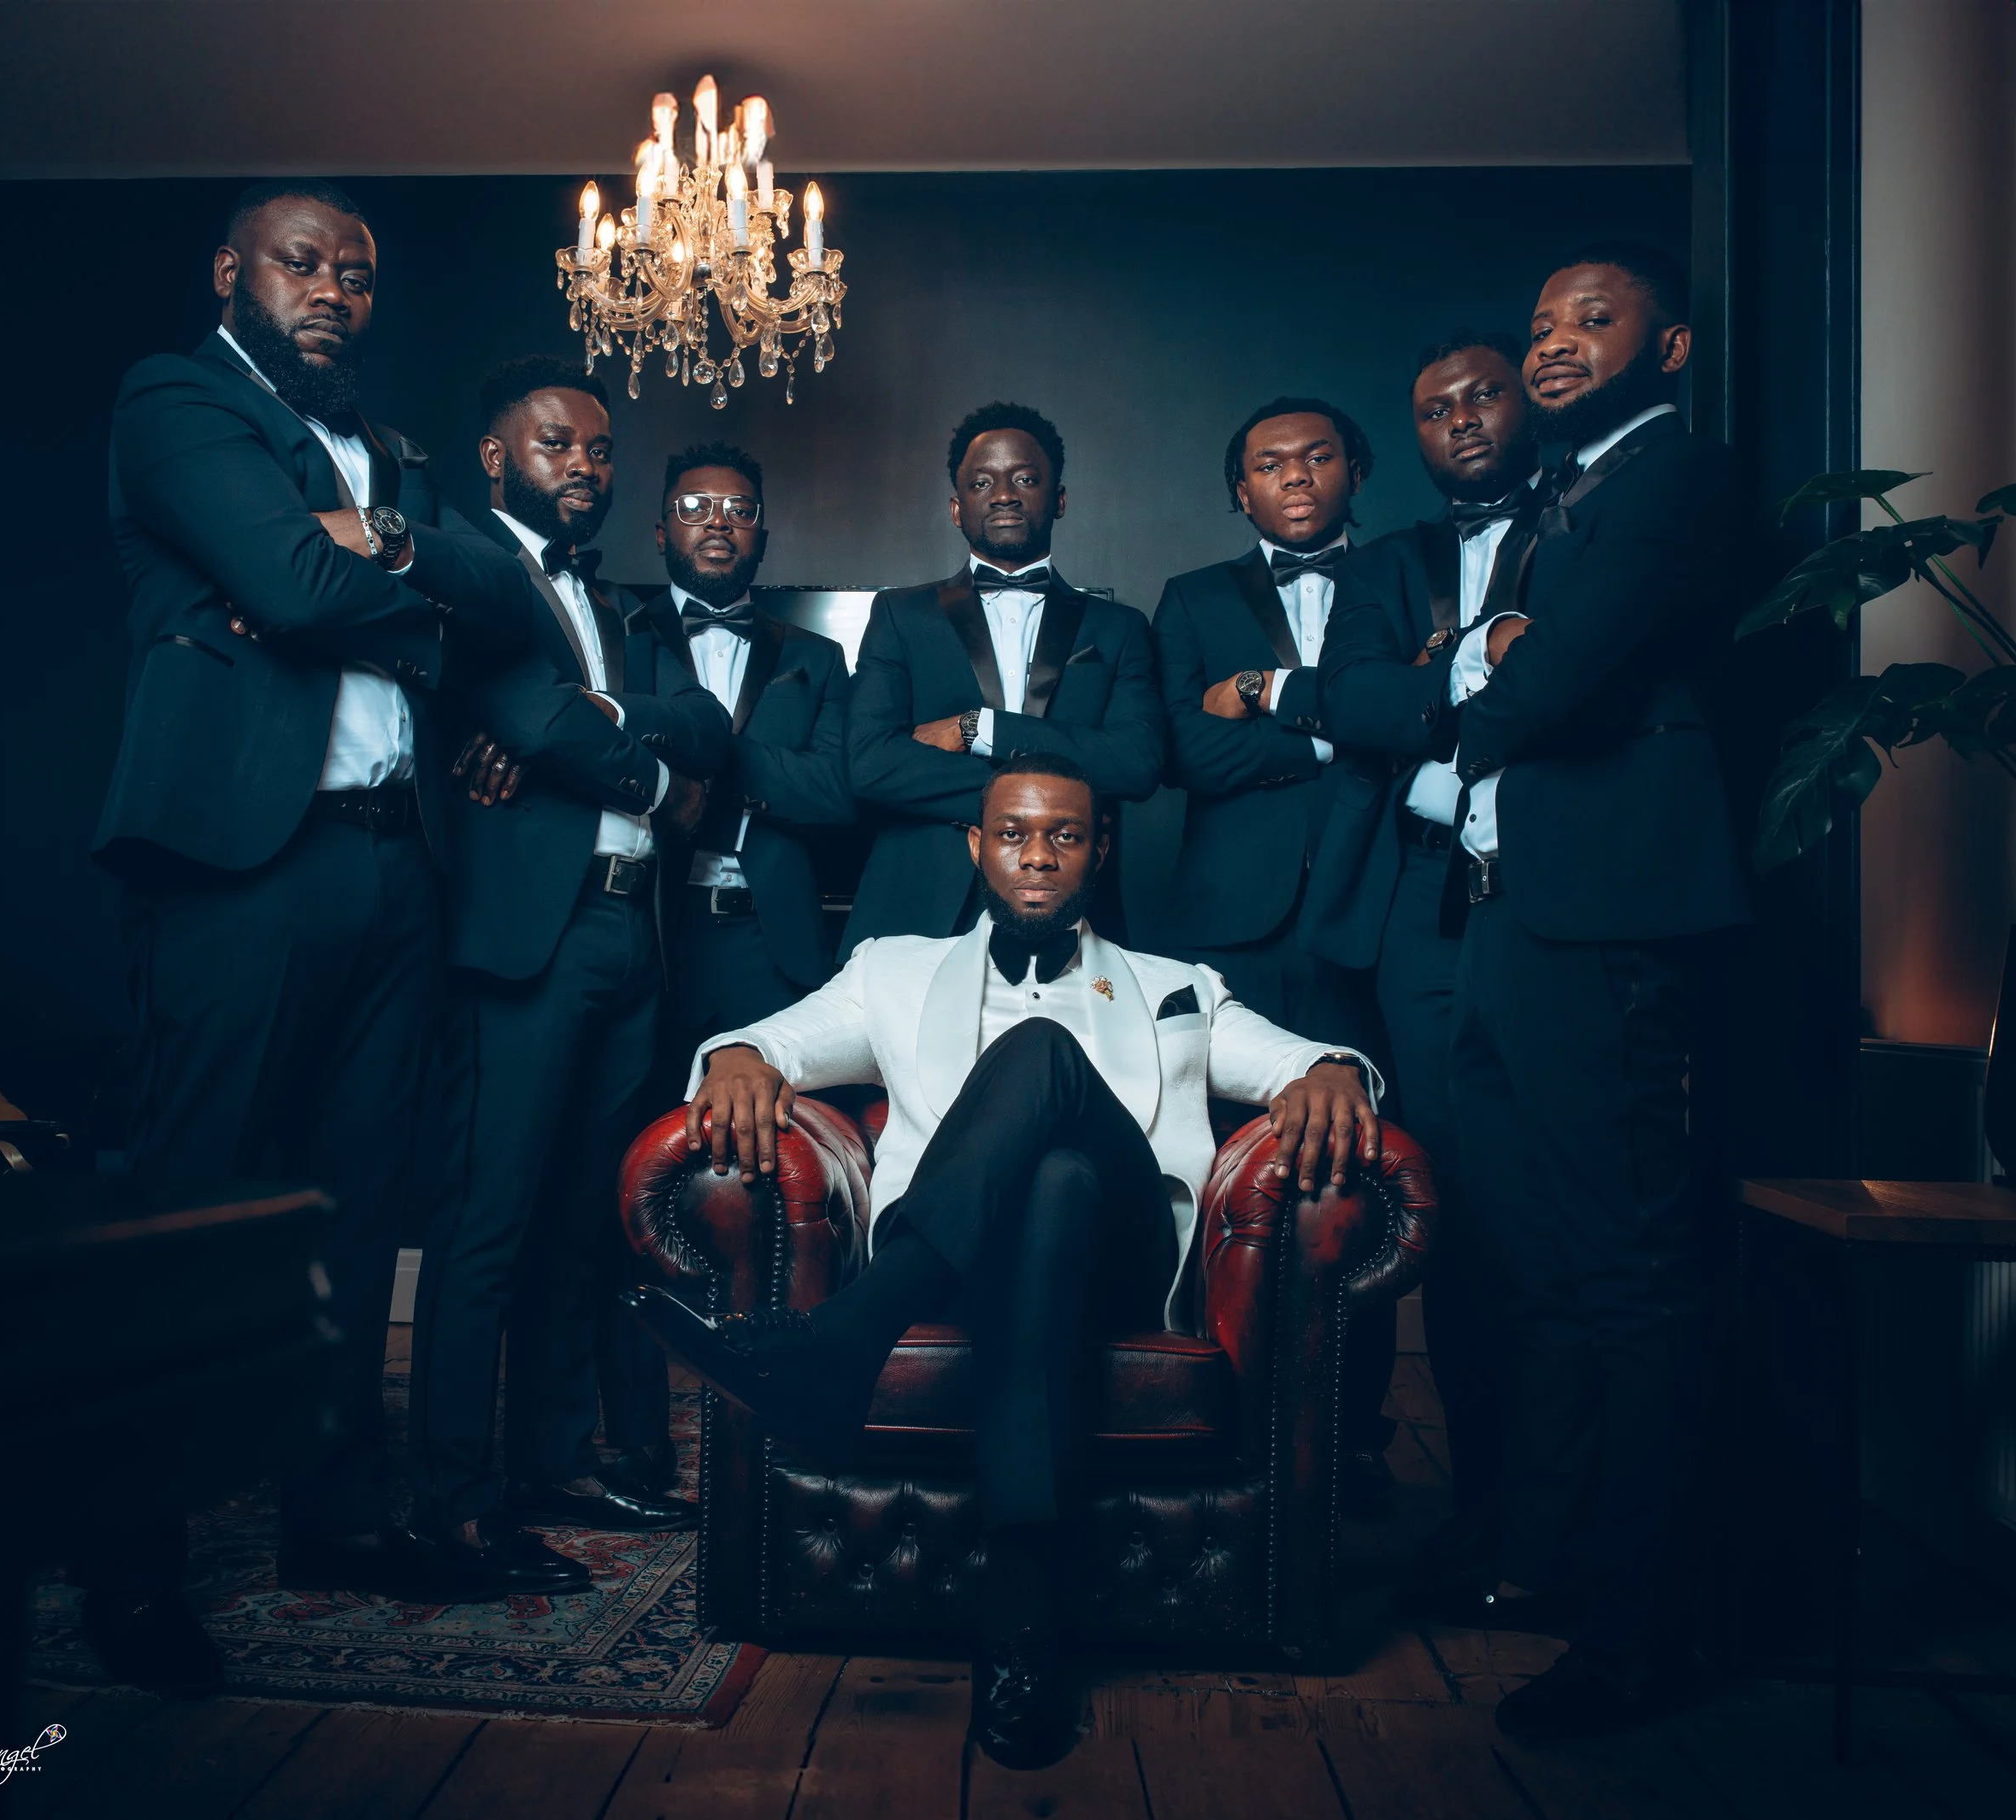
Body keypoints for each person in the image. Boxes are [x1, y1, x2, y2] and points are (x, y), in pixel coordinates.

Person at [624, 751, 1382, 1770]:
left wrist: (1333, 1068)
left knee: (1041, 1059)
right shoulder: (891, 969)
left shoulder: (1178, 989)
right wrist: (738, 1059)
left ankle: (843, 1340)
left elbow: (1302, 1057)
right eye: (1015, 834)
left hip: (1127, 1260)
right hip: (977, 1260)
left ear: (1097, 849)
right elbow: (767, 1041)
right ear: (977, 847)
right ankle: (1020, 1629)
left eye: (1064, 836)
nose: (1038, 856)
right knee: (1053, 1183)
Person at [89, 180, 532, 1689]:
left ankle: (336, 1516)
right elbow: (283, 570)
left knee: (352, 1218)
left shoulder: (388, 453)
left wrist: (370, 552)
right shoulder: (175, 396)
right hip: (236, 869)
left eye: (355, 268)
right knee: (188, 1214)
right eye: (300, 260)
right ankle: (128, 1561)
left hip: (394, 865)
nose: (332, 285)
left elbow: (502, 597)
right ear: (232, 272)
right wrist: (346, 582)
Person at [1441, 245, 1750, 1742]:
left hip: (1610, 925)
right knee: (1548, 1275)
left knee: (1631, 1281)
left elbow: (1551, 694)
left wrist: (1493, 675)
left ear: (1670, 344)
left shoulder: (1672, 478)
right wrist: (1504, 652)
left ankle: (1648, 1636)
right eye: (1543, 317)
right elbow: (1538, 675)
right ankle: (1554, 1568)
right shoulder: (1568, 499)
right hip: (1519, 925)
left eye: (1594, 318)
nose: (1555, 341)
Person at [404, 357, 729, 1599]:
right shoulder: (472, 573)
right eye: (555, 445)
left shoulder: (631, 606)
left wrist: (599, 717)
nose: (583, 466)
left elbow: (709, 730)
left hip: (627, 938)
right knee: (486, 1226)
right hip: (523, 941)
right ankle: (451, 1502)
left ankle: (545, 1467)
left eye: (598, 450)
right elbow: (539, 730)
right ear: (497, 459)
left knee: (582, 1225)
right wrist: (637, 757)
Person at [1313, 333, 1541, 1598]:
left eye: (1481, 395)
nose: (1460, 419)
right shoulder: (1393, 562)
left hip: (1556, 897)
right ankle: (1483, 1507)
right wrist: (1464, 665)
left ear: (1526, 403)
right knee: (1451, 1199)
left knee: (1540, 1214)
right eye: (1434, 407)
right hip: (1420, 908)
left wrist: (1422, 689)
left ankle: (1559, 1513)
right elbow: (1355, 707)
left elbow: (1567, 687)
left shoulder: (1578, 527)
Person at [1150, 395, 1397, 1512]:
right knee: (1228, 1179)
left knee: (1359, 1174)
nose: (1295, 477)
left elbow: (1419, 722)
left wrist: (1271, 708)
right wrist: (1344, 729)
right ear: (1238, 490)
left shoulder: (1403, 577)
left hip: (1368, 917)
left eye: (1316, 457)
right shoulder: (1192, 600)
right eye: (1268, 464)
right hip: (1226, 929)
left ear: (1356, 469)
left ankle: (1354, 1441)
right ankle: (1230, 1429)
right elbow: (1188, 753)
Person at [843, 402, 1163, 951]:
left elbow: (1136, 764)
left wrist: (983, 729)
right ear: (955, 507)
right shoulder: (900, 615)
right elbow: (872, 762)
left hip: (1075, 909)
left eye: (1026, 478)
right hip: (920, 906)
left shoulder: (1120, 628)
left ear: (1058, 500)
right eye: (982, 482)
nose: (1005, 494)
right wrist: (1034, 806)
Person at [624, 442, 856, 1082]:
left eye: (739, 509)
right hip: (651, 932)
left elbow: (838, 792)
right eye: (694, 506)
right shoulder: (622, 637)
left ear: (762, 534)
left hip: (773, 940)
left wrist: (706, 762)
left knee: (777, 1147)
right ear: (662, 529)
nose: (718, 521)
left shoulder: (820, 658)